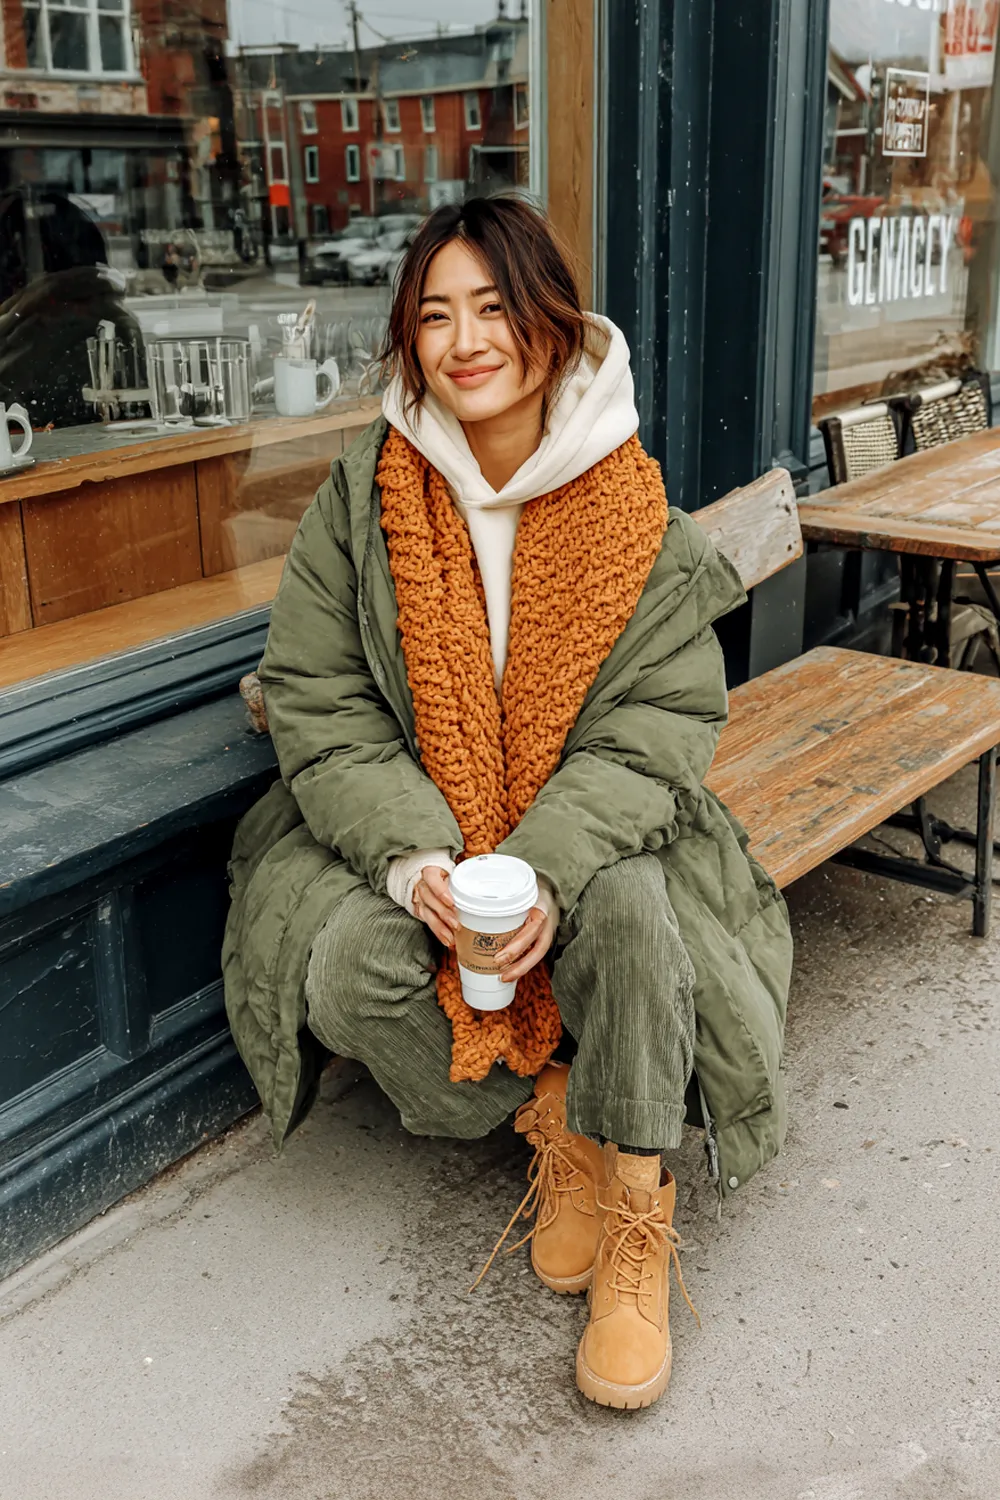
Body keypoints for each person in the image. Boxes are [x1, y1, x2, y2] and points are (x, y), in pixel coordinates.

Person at [223, 195, 793, 1410]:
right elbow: (320, 703)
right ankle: (554, 1112)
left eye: (491, 306)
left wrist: (543, 869)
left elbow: (655, 729)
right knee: (338, 970)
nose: (464, 339)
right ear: (408, 341)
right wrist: (416, 862)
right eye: (434, 315)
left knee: (636, 914)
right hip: (421, 836)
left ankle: (637, 1203)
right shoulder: (362, 498)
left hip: (587, 836)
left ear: (548, 323)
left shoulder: (626, 501)